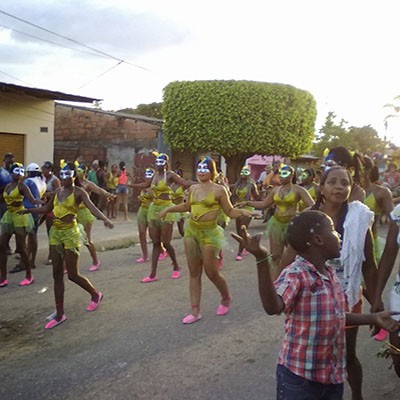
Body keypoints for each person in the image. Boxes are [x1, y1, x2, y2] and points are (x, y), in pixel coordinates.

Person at [231, 211, 399, 400]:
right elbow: (273, 307)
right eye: (334, 231)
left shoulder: (331, 273)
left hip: (331, 376)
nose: (339, 235)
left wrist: (372, 317)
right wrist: (261, 259)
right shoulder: (296, 273)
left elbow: (335, 316)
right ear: (319, 239)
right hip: (299, 378)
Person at [279, 166, 379, 400]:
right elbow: (287, 257)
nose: (339, 187)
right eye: (332, 182)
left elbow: (369, 265)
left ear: (350, 188)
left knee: (347, 355)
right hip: (312, 299)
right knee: (313, 353)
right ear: (321, 188)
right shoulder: (308, 219)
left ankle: (357, 395)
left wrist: (376, 302)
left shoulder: (358, 219)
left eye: (344, 183)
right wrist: (281, 291)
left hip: (348, 297)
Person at [159, 156, 255, 324]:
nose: (201, 171)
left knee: (211, 272)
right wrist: (169, 208)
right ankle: (195, 311)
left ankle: (225, 297)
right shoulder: (193, 188)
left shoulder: (219, 190)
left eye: (205, 169)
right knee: (194, 272)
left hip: (210, 233)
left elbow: (230, 211)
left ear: (212, 171)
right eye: (199, 168)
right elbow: (187, 206)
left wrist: (245, 212)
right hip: (192, 231)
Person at [20, 162, 113, 329]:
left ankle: (95, 294)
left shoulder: (79, 192)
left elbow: (92, 208)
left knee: (72, 274)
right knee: (56, 274)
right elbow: (46, 209)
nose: (64, 178)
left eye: (67, 175)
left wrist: (105, 219)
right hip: (56, 233)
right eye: (62, 174)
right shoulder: (57, 192)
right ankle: (60, 313)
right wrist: (28, 211)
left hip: (70, 234)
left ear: (73, 176)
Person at [130, 153, 196, 282]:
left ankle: (176, 266)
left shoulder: (170, 175)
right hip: (154, 208)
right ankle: (153, 274)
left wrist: (202, 183)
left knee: (166, 242)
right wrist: (131, 185)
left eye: (161, 163)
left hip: (167, 209)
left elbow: (184, 182)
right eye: (157, 162)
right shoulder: (154, 175)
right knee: (155, 243)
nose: (158, 165)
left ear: (166, 164)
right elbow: (145, 185)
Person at [244, 165, 314, 269]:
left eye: (284, 174)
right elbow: (264, 204)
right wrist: (247, 203)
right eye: (280, 174)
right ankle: (275, 281)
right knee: (275, 256)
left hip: (292, 225)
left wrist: (300, 215)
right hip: (276, 224)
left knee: (292, 256)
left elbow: (312, 205)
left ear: (292, 175)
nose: (281, 176)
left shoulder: (298, 190)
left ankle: (291, 278)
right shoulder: (275, 190)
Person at [0, 163, 44, 287]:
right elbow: (3, 199)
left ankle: (29, 275)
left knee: (21, 247)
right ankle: (3, 277)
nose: (19, 174)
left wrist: (44, 203)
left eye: (21, 172)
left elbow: (33, 199)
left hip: (20, 216)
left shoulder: (23, 187)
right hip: (9, 216)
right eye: (16, 171)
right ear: (11, 173)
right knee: (2, 246)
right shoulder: (7, 186)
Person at [372, 203, 400, 377]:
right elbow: (389, 253)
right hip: (399, 298)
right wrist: (377, 296)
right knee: (398, 357)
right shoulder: (398, 212)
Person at [76, 163, 116, 271]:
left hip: (85, 212)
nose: (77, 172)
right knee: (72, 239)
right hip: (74, 213)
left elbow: (99, 190)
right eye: (77, 170)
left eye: (80, 170)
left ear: (85, 172)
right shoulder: (72, 183)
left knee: (86, 240)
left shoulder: (87, 184)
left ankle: (95, 261)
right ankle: (69, 265)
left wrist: (108, 195)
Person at [9, 163, 47, 273]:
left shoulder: (28, 182)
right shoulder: (42, 181)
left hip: (27, 211)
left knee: (22, 238)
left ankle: (23, 263)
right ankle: (32, 261)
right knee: (33, 236)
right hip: (37, 210)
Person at [231, 165, 260, 261]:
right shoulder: (237, 185)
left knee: (243, 229)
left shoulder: (251, 185)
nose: (243, 174)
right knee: (239, 232)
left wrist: (260, 203)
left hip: (247, 209)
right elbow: (233, 196)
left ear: (249, 174)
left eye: (246, 172)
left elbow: (257, 197)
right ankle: (248, 244)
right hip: (238, 208)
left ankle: (240, 252)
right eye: (242, 172)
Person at [42, 161, 61, 265]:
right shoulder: (44, 179)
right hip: (44, 206)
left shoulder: (55, 180)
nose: (43, 171)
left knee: (52, 232)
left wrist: (47, 194)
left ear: (50, 170)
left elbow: (58, 192)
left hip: (52, 208)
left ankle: (52, 254)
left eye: (45, 169)